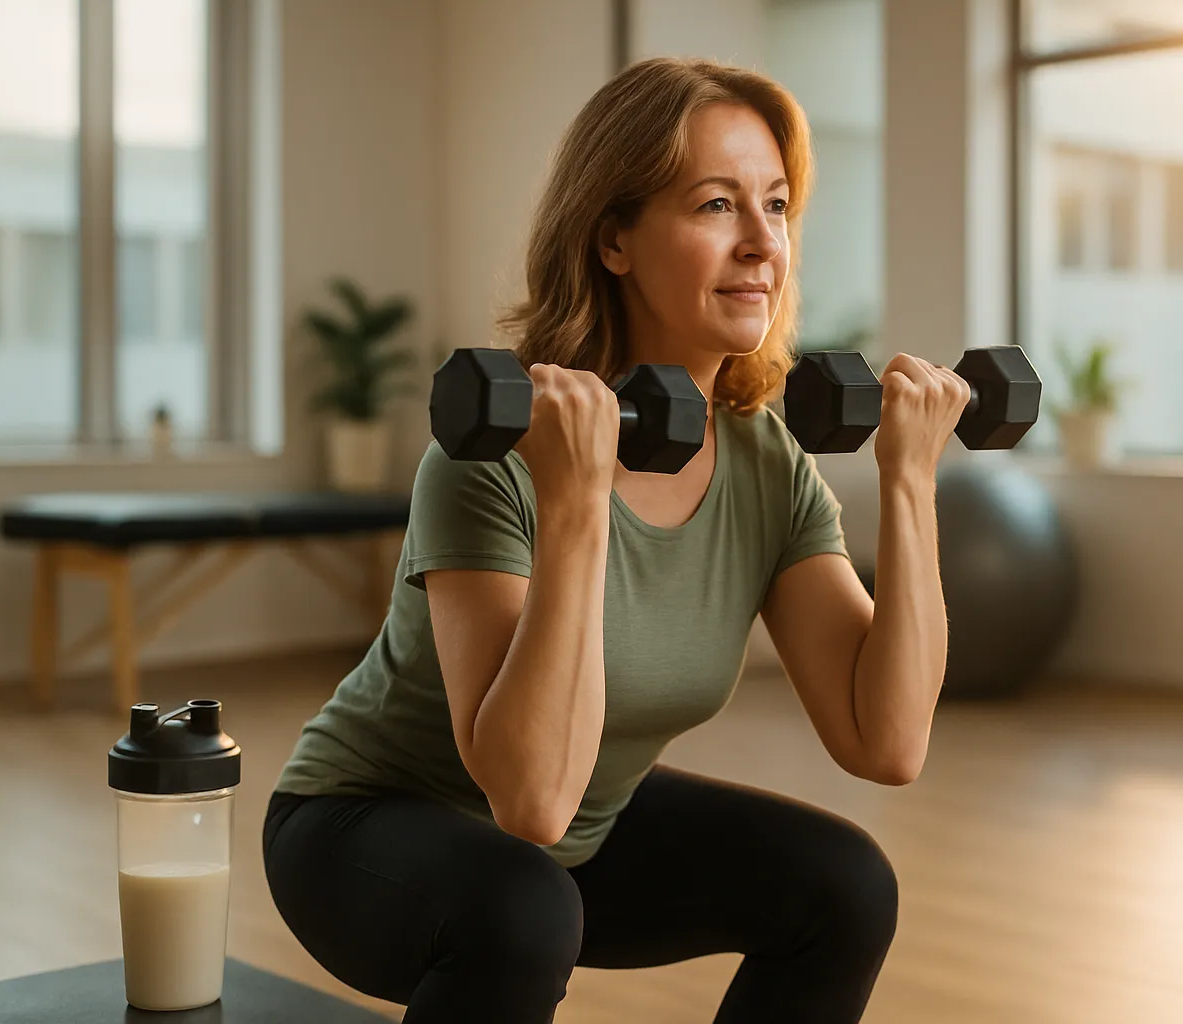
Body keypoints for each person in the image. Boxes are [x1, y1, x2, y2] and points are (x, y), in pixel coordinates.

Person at [262, 56, 970, 1024]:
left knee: (843, 887)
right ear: (613, 240)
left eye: (776, 205)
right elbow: (530, 802)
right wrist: (577, 502)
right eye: (717, 205)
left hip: (576, 835)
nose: (763, 242)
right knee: (521, 905)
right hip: (364, 829)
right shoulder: (498, 452)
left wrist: (911, 481)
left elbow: (884, 742)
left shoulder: (765, 460)